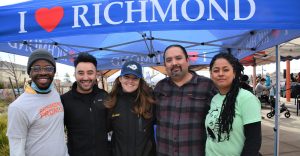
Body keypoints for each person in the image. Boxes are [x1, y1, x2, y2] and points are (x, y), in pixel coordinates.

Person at [154, 44, 217, 155]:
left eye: (178, 58)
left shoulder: (207, 86)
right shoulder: (160, 87)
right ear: (165, 65)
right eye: (169, 60)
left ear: (187, 60)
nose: (174, 63)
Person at [6, 49, 68, 156]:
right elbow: (16, 151)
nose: (43, 72)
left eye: (48, 68)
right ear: (29, 73)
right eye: (36, 68)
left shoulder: (54, 93)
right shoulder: (18, 107)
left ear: (54, 72)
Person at [206, 53, 261, 156]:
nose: (220, 73)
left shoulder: (246, 98)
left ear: (234, 73)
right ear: (211, 74)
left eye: (226, 70)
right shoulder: (214, 98)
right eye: (216, 70)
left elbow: (254, 141)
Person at [61, 53, 110, 156]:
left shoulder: (104, 96)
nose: (86, 77)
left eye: (90, 73)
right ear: (75, 74)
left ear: (96, 74)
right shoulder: (64, 100)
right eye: (81, 73)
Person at [105, 61, 156, 156]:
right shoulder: (111, 102)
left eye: (135, 78)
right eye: (126, 77)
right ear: (120, 78)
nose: (130, 81)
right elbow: (103, 130)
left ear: (140, 81)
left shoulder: (150, 101)